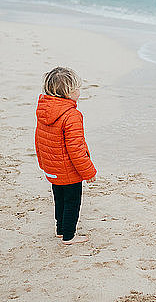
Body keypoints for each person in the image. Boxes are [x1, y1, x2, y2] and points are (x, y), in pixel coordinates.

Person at [34, 66, 97, 245]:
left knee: (59, 198)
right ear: (68, 92)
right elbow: (76, 149)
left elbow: (39, 138)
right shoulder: (71, 115)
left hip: (52, 167)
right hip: (68, 170)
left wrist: (43, 163)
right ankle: (69, 236)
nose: (79, 91)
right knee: (72, 202)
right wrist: (88, 172)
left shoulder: (44, 110)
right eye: (77, 88)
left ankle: (61, 229)